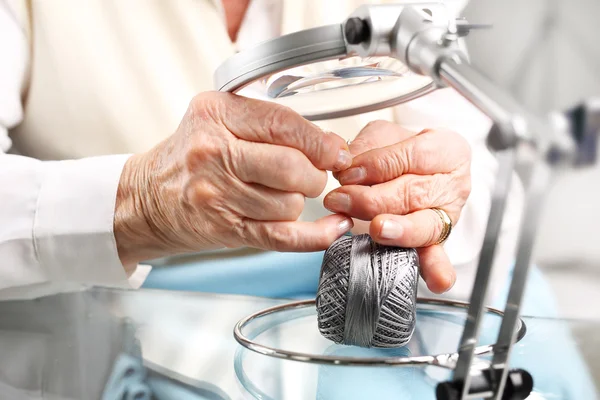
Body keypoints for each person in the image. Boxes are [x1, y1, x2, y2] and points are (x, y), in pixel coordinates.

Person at [0, 0, 523, 301]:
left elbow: (485, 171)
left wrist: (437, 198)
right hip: (106, 339)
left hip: (370, 333)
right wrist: (140, 203)